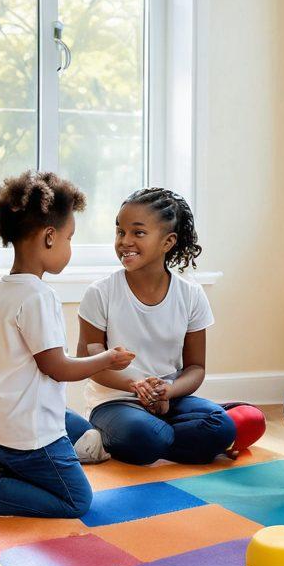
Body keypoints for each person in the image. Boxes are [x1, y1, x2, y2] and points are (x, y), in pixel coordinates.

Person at [0, 171, 135, 518]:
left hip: (1, 424)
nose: (71, 248)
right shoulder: (39, 296)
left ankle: (7, 469)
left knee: (69, 422)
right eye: (70, 238)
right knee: (76, 501)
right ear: (50, 238)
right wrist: (106, 359)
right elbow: (57, 369)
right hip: (29, 436)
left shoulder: (7, 288)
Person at [77, 187, 236, 465]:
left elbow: (196, 368)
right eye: (120, 231)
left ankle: (137, 442)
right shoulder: (100, 292)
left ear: (168, 242)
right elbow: (89, 363)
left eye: (137, 233)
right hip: (114, 401)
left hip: (168, 400)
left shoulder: (191, 295)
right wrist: (135, 385)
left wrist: (167, 391)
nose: (124, 241)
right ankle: (127, 437)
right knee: (149, 436)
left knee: (221, 426)